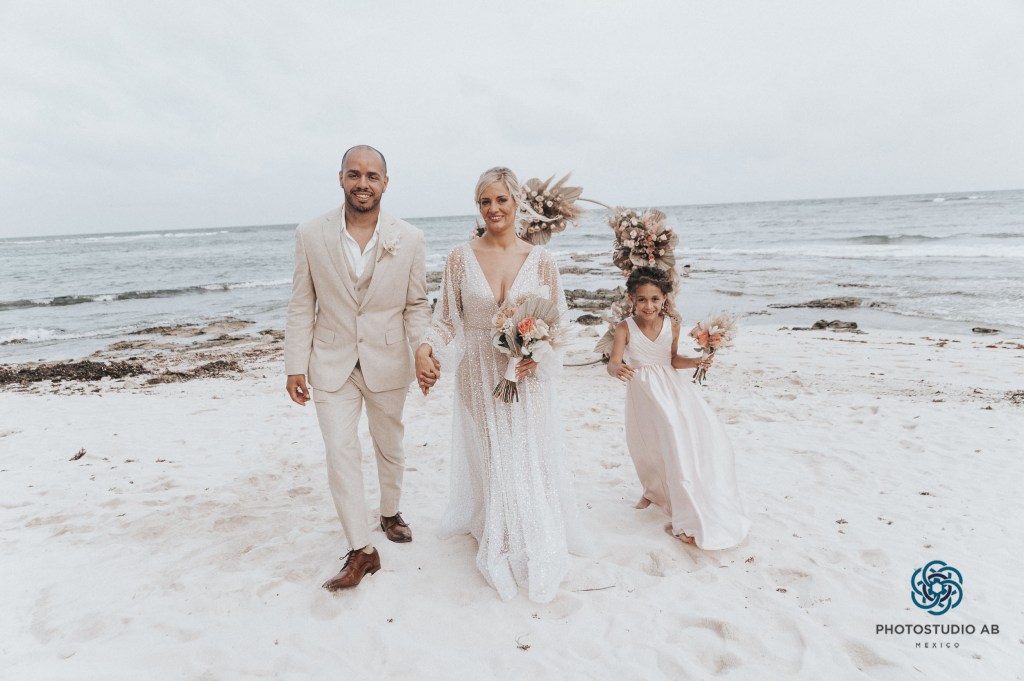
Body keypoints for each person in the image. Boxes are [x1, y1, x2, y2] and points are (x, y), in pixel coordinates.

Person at [414, 167, 586, 603]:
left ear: (517, 202)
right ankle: (501, 534)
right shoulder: (459, 258)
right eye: (485, 202)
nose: (493, 209)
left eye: (501, 200)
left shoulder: (542, 261)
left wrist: (536, 355)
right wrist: (425, 349)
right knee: (494, 457)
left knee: (526, 454)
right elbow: (445, 320)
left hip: (527, 377)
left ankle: (531, 533)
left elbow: (558, 326)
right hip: (478, 373)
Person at [284, 145, 434, 591]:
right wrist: (294, 365)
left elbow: (416, 304)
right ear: (341, 179)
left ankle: (389, 511)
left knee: (389, 444)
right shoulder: (310, 234)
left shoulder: (410, 238)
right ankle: (362, 550)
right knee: (340, 451)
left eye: (372, 176)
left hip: (388, 359)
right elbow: (302, 303)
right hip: (331, 362)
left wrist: (422, 349)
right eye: (354, 174)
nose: (362, 183)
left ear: (385, 183)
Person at [606, 267, 750, 550]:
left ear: (665, 298)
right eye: (642, 299)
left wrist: (695, 362)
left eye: (655, 299)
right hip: (642, 391)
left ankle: (684, 496)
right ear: (632, 299)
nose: (649, 305)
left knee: (675, 436)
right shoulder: (624, 327)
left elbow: (671, 359)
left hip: (672, 389)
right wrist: (616, 370)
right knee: (647, 444)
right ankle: (653, 491)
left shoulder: (672, 324)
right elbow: (613, 361)